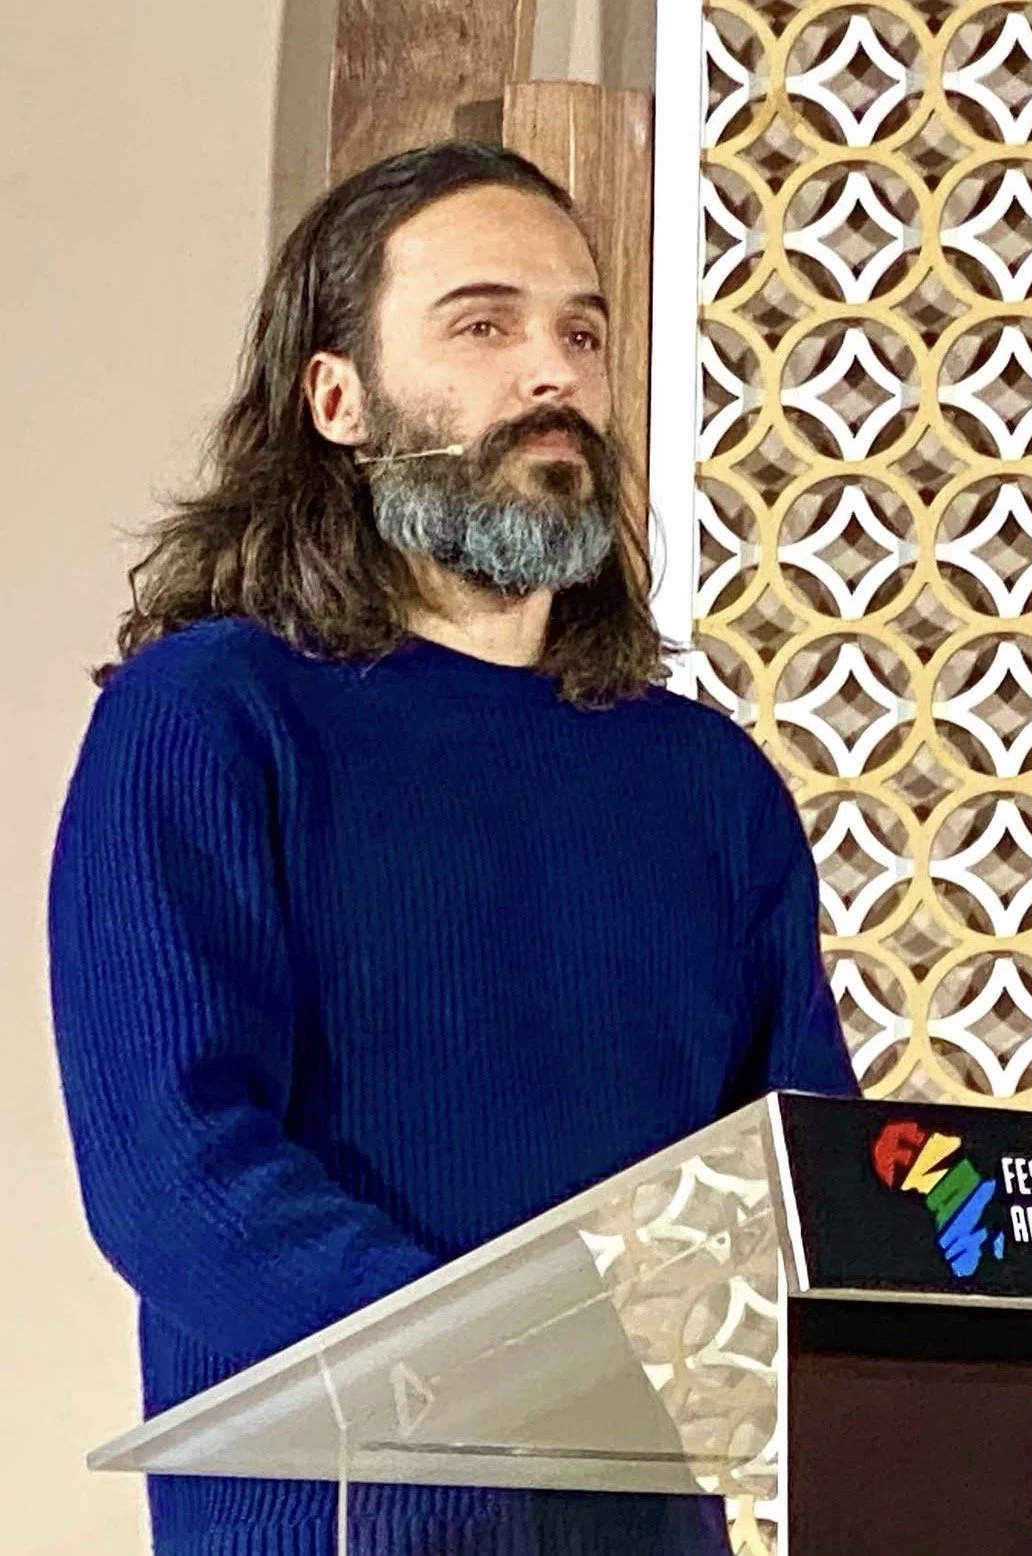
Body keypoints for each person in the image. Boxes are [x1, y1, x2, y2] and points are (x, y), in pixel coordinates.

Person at [48, 141, 857, 1556]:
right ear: (338, 399)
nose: (551, 371)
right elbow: (178, 1172)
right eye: (483, 324)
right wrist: (514, 1387)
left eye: (581, 332)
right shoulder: (211, 721)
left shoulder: (709, 785)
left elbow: (801, 1192)